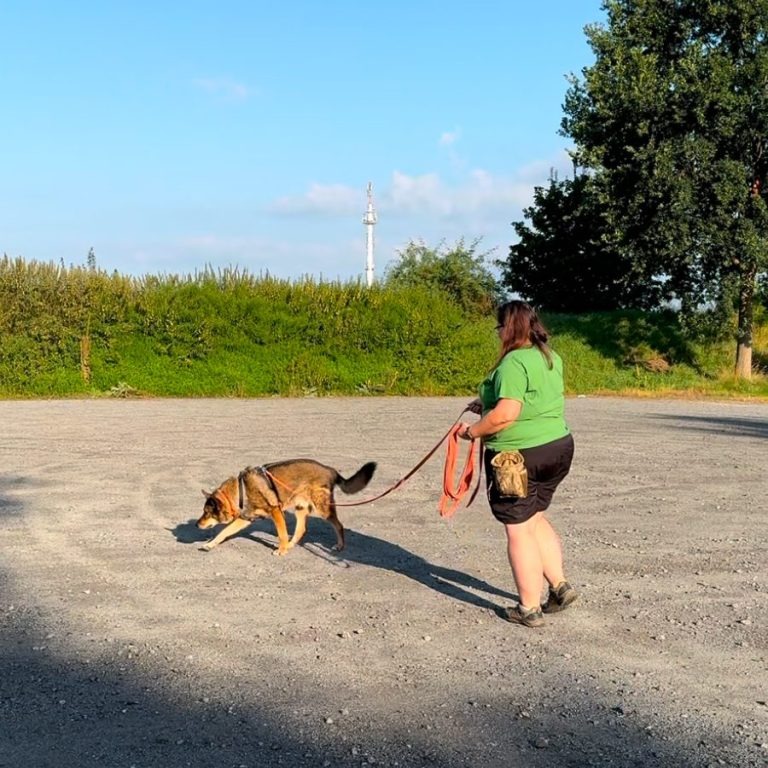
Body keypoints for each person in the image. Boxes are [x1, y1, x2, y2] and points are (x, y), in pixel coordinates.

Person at [458, 300, 576, 628]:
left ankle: (528, 608)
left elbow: (507, 415)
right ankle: (560, 587)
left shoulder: (512, 362)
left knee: (518, 528)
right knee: (535, 516)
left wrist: (472, 432)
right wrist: (487, 400)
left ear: (508, 328)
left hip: (517, 457)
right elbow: (531, 396)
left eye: (499, 328)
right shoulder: (549, 356)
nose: (498, 334)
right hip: (557, 447)